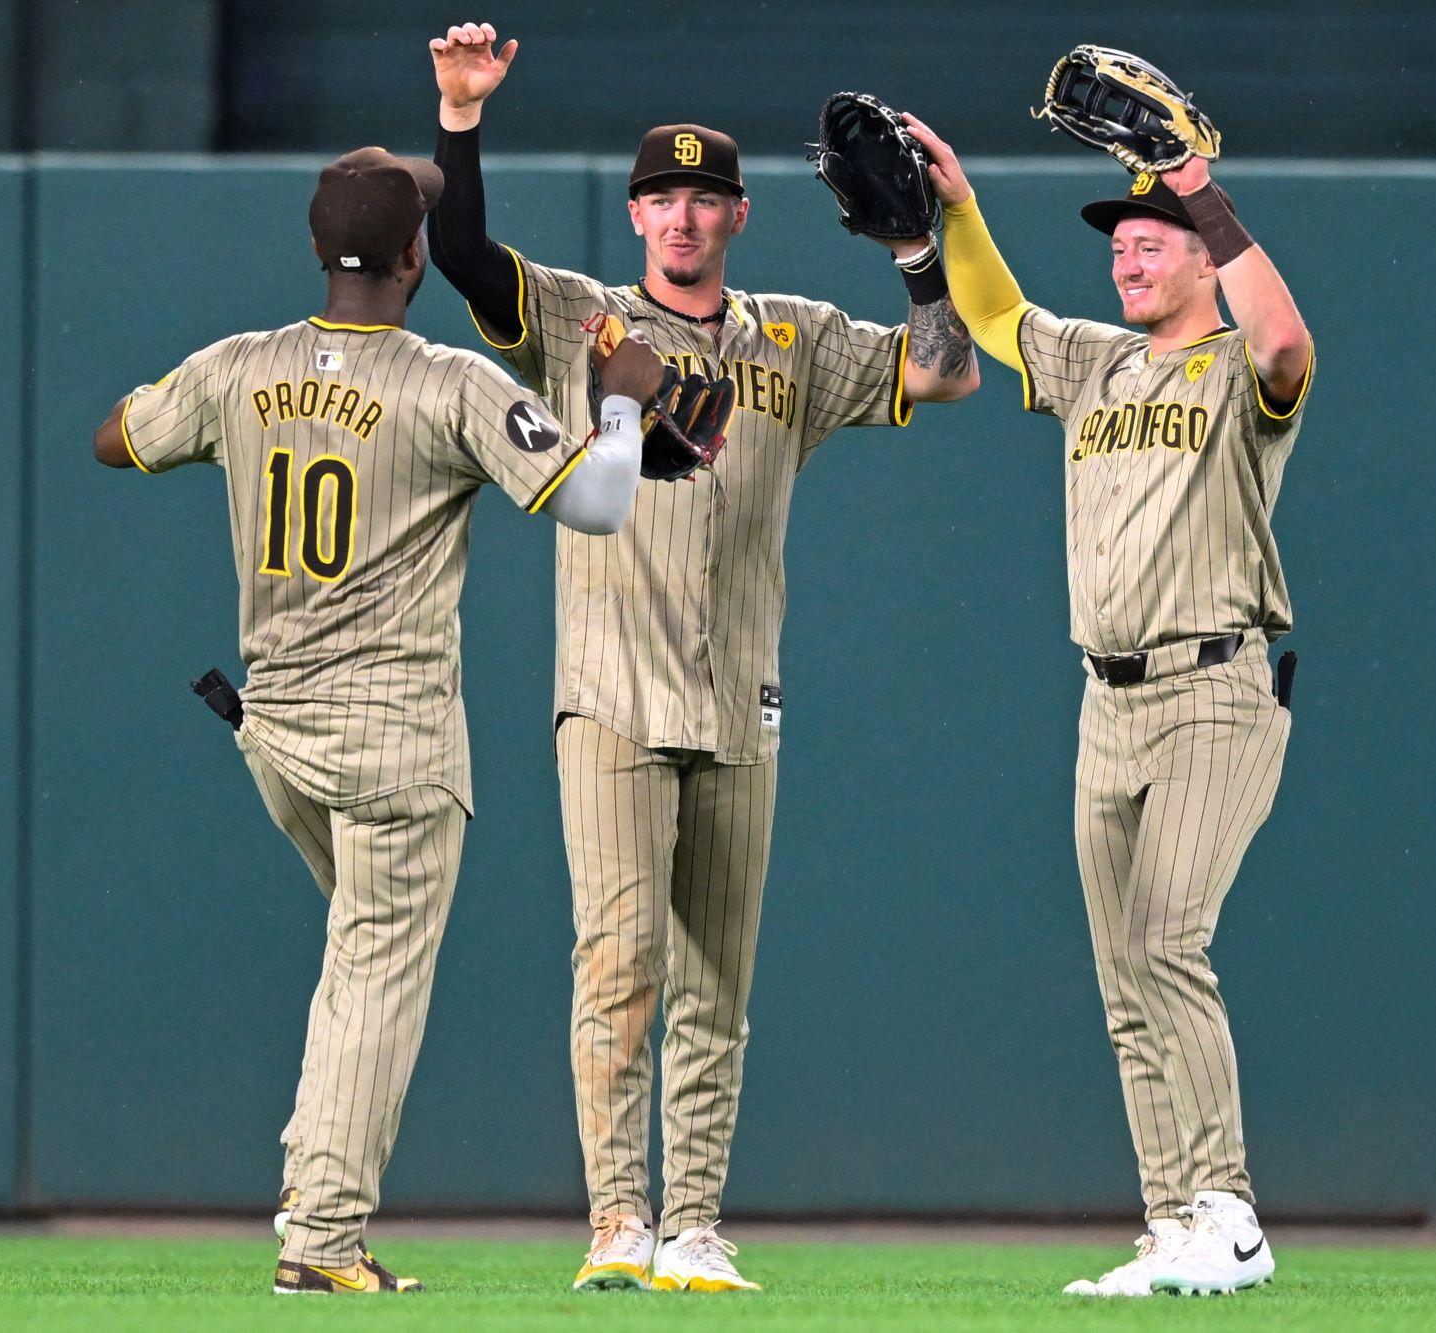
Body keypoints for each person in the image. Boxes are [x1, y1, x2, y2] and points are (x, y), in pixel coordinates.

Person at [426, 22, 981, 1294]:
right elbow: (458, 253)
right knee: (617, 969)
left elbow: (944, 373)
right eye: (661, 196)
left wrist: (917, 250)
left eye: (703, 198)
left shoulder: (794, 335)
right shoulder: (577, 320)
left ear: (736, 215)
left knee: (716, 989)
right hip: (609, 696)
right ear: (633, 214)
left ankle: (694, 1225)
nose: (681, 217)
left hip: (742, 701)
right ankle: (617, 1220)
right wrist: (460, 120)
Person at [92, 146, 667, 1295]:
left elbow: (117, 437)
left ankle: (313, 1187)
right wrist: (620, 403)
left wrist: (221, 411)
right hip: (390, 742)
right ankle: (321, 1238)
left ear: (317, 254)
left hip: (275, 733)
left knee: (355, 960)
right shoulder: (449, 382)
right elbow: (599, 503)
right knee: (374, 976)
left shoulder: (239, 366)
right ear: (416, 260)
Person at [901, 111, 1312, 1298]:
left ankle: (1227, 1209)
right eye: (1120, 243)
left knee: (1169, 938)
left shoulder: (1238, 364)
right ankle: (1172, 1223)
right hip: (1106, 700)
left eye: (1152, 242)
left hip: (1214, 688)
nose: (1128, 259)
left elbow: (1284, 341)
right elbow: (989, 320)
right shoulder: (1095, 361)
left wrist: (1201, 188)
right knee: (1126, 981)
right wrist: (961, 208)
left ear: (1202, 258)